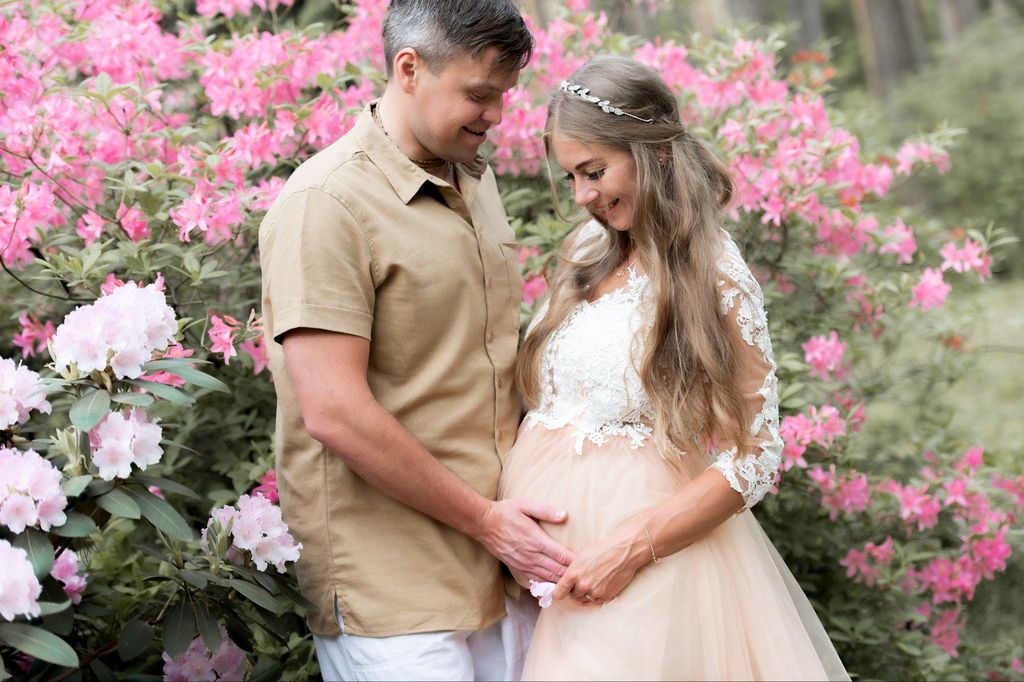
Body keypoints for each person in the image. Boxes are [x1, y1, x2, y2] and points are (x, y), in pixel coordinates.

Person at [498, 56, 850, 681]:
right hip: (536, 580)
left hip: (641, 580)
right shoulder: (588, 248)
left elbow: (757, 453)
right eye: (572, 177)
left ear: (653, 151)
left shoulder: (716, 276)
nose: (581, 196)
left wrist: (630, 549)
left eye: (594, 171)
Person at [258, 2, 574, 679]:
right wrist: (488, 522)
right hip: (394, 591)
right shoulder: (327, 203)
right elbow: (334, 410)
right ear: (409, 69)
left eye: (503, 96)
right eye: (479, 94)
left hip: (501, 572)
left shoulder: (473, 182)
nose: (496, 115)